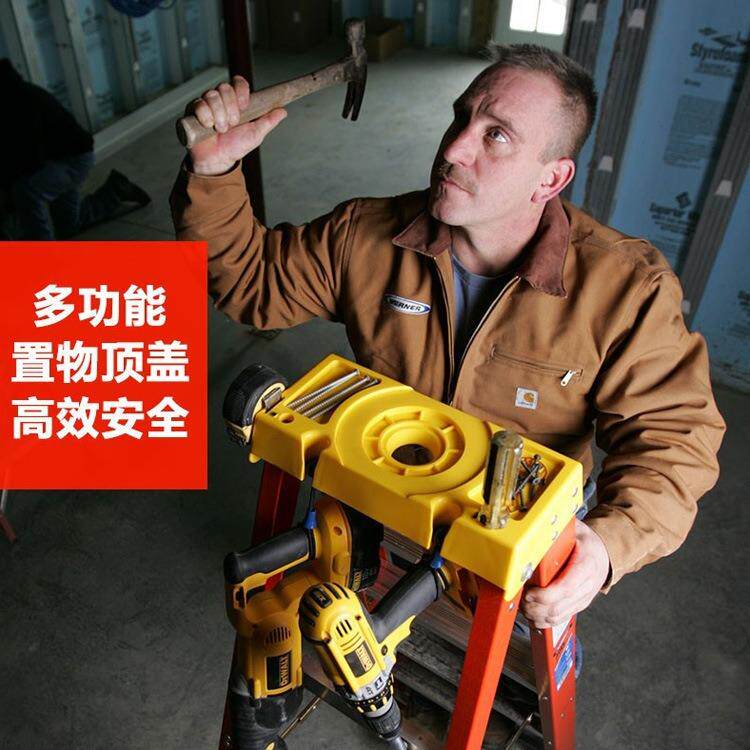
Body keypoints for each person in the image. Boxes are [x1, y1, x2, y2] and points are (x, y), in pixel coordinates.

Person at [169, 45, 725, 630]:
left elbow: (674, 438)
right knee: (330, 633)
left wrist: (608, 545)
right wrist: (213, 174)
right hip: (379, 493)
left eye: (496, 135)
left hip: (513, 530)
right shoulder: (367, 234)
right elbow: (253, 283)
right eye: (461, 117)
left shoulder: (626, 289)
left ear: (551, 178)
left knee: (513, 655)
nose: (454, 148)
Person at [0, 58, 151, 240]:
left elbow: (29, 156)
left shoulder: (20, 101)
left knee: (26, 192)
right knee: (69, 225)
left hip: (72, 160)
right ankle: (117, 190)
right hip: (62, 158)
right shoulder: (14, 96)